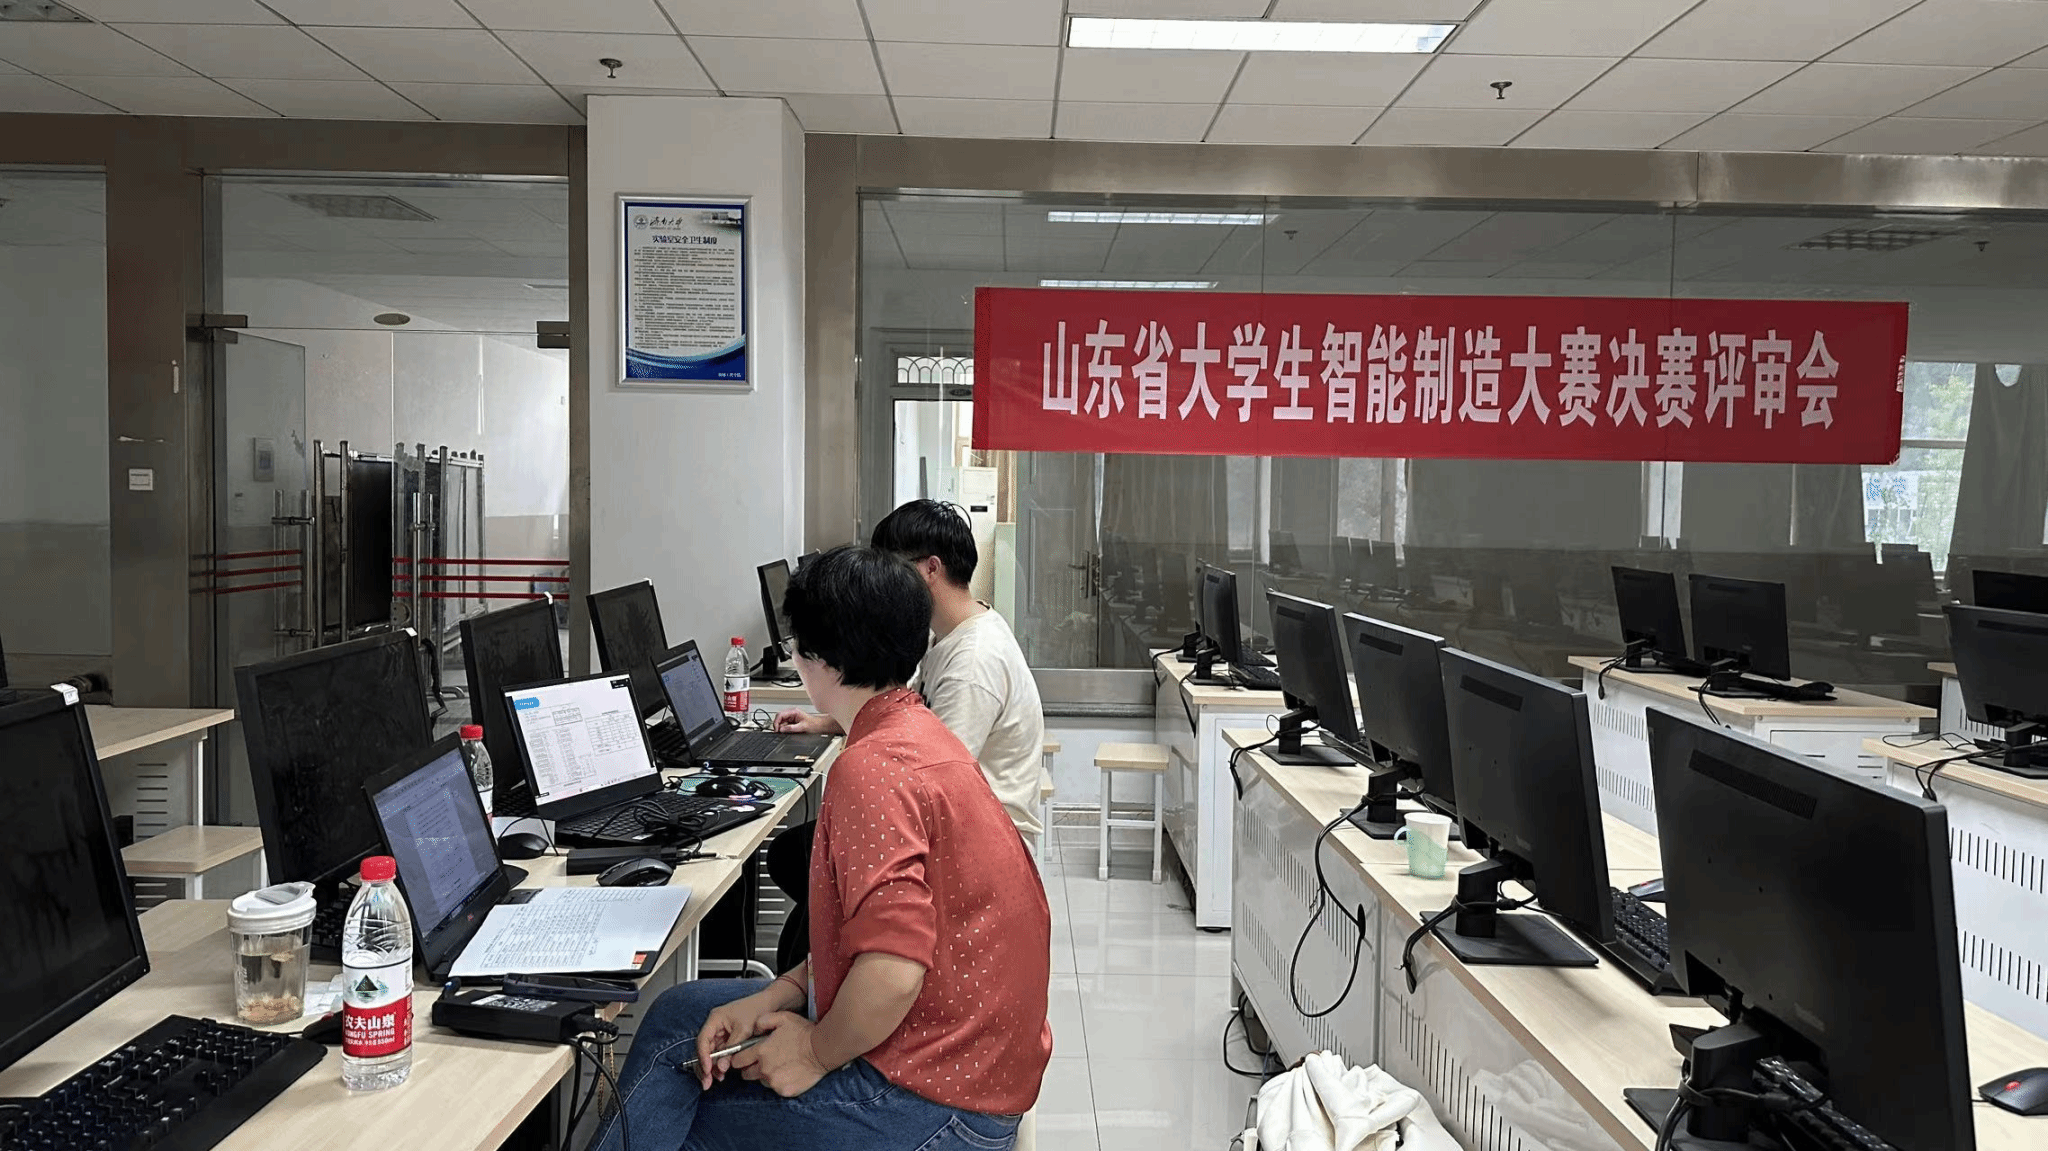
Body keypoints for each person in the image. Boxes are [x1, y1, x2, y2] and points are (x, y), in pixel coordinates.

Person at [590, 546, 1051, 1151]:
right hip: (975, 1059)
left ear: (819, 660)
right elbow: (874, 940)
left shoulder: (873, 770)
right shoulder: (916, 731)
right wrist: (778, 993)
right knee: (678, 1016)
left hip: (940, 1104)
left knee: (689, 1113)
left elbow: (892, 971)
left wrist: (813, 1051)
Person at [776, 500, 1047, 845]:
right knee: (800, 847)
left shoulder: (973, 662)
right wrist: (822, 723)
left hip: (979, 839)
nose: (885, 582)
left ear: (931, 568)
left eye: (894, 567)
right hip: (949, 818)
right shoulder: (949, 633)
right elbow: (907, 716)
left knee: (804, 848)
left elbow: (932, 774)